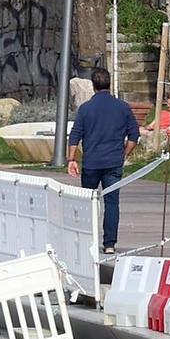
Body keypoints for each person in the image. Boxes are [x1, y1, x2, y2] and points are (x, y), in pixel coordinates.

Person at [64, 66, 141, 254]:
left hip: (91, 163)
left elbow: (75, 135)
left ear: (93, 85)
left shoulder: (86, 109)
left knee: (88, 202)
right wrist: (124, 154)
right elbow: (134, 136)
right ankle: (109, 244)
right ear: (109, 84)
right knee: (112, 203)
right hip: (113, 163)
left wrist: (71, 159)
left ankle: (88, 239)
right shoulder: (122, 107)